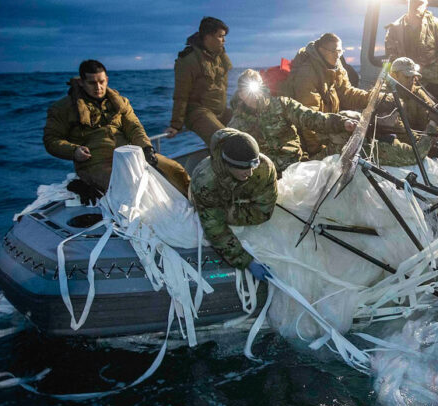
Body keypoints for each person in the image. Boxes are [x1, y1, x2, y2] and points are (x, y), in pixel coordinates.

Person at [43, 59, 190, 195]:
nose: (98, 87)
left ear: (106, 80)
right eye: (92, 83)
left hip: (129, 154)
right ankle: (86, 184)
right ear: (81, 82)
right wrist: (74, 151)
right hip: (94, 162)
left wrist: (146, 149)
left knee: (176, 170)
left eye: (101, 81)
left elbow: (134, 127)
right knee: (127, 187)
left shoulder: (120, 102)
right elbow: (51, 140)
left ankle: (197, 206)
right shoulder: (62, 108)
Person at [229, 69, 357, 175]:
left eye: (256, 89)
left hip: (297, 166)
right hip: (266, 177)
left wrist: (342, 122)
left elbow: (311, 118)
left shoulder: (282, 105)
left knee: (345, 134)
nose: (254, 96)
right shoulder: (236, 123)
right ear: (240, 94)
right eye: (246, 91)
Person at [189, 128, 277, 279]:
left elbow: (264, 211)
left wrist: (233, 209)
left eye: (252, 166)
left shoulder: (264, 168)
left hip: (231, 203)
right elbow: (215, 228)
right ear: (228, 164)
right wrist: (246, 262)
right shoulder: (205, 181)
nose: (249, 173)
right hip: (210, 202)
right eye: (243, 168)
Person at [280, 33, 370, 156]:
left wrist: (371, 98)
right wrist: (317, 153)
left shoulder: (336, 67)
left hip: (327, 125)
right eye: (334, 51)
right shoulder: (307, 74)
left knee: (357, 119)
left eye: (340, 51)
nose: (338, 55)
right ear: (321, 50)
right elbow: (309, 118)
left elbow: (347, 93)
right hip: (311, 137)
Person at [384, 0, 438, 114]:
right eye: (415, 2)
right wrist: (391, 83)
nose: (417, 5)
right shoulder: (394, 30)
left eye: (421, 2)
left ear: (426, 4)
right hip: (405, 84)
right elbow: (391, 61)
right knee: (389, 106)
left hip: (432, 83)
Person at [165, 17, 233, 145]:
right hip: (198, 112)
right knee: (225, 140)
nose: (224, 40)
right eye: (220, 36)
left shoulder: (220, 56)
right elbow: (181, 94)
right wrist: (176, 125)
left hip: (220, 111)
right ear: (208, 37)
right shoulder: (188, 60)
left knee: (250, 128)